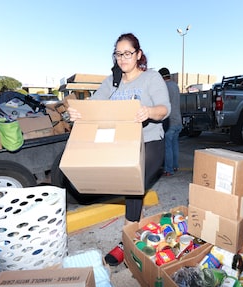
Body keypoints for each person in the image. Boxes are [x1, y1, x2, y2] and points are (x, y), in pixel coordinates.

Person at [67, 33, 171, 266]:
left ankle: (127, 241)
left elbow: (165, 108)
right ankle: (138, 234)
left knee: (132, 186)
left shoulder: (151, 78)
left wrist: (149, 112)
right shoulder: (111, 81)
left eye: (127, 53)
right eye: (118, 54)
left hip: (150, 142)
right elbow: (93, 106)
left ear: (138, 54)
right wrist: (77, 113)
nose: (122, 58)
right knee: (132, 189)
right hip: (122, 144)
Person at [158, 67, 182, 176]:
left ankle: (168, 169)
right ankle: (175, 166)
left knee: (167, 146)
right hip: (178, 120)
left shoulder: (164, 87)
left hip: (170, 121)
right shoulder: (175, 86)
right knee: (174, 144)